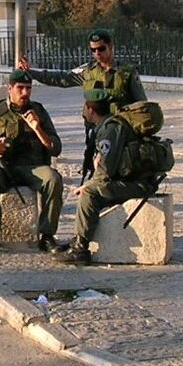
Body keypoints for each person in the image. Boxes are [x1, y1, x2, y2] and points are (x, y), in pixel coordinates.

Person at [18, 28, 146, 182]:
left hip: (121, 132)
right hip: (96, 131)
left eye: (101, 49)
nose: (97, 53)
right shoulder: (88, 71)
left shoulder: (127, 73)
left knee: (121, 170)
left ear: (111, 47)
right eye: (93, 50)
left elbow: (141, 106)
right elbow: (61, 78)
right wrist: (31, 73)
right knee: (99, 170)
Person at [0, 69, 64, 254]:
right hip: (4, 167)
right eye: (21, 88)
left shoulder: (38, 111)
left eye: (29, 88)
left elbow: (55, 148)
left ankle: (47, 236)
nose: (25, 93)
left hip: (33, 167)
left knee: (53, 179)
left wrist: (38, 128)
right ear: (10, 88)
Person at [54, 88, 156, 266]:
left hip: (139, 184)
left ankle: (80, 248)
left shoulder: (110, 129)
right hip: (134, 180)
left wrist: (88, 185)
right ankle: (80, 236)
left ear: (89, 109)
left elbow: (106, 170)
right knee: (94, 189)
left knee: (90, 193)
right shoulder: (109, 125)